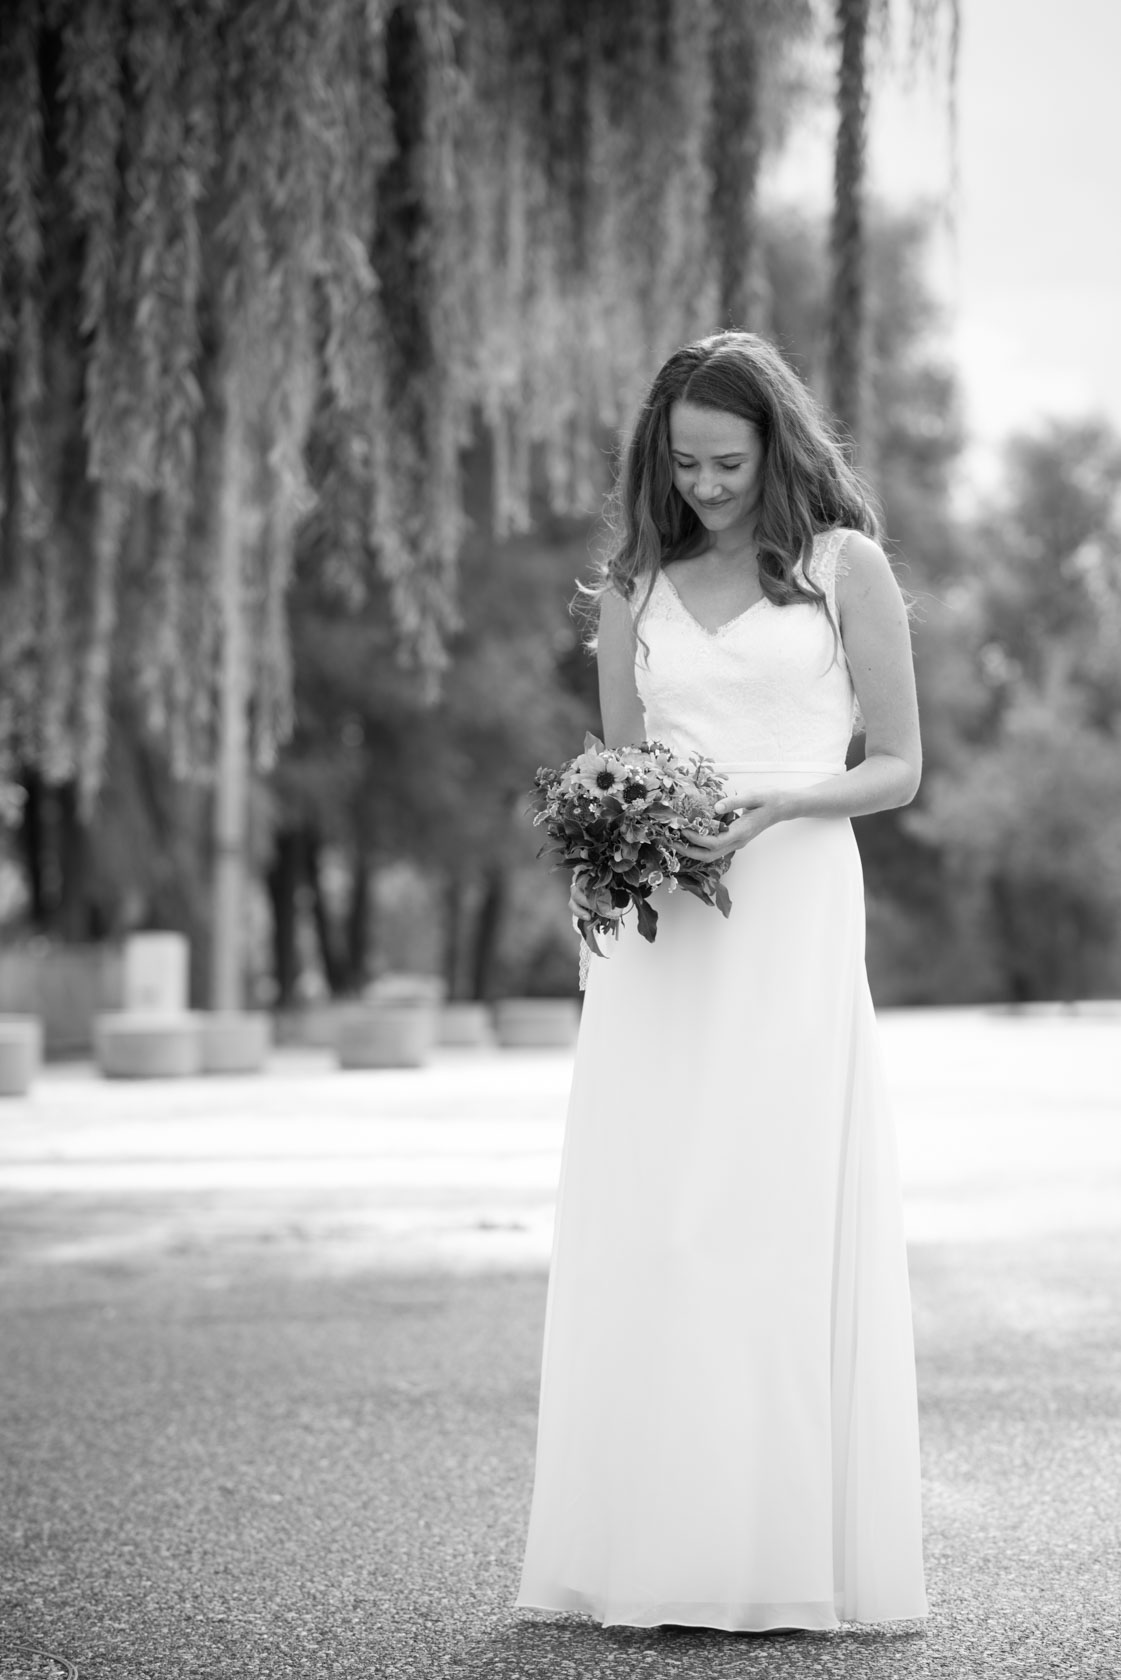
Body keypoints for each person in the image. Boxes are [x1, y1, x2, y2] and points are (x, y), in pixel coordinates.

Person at [515, 331, 928, 1633]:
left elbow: (898, 767)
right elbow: (612, 768)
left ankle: (776, 1553)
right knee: (659, 1218)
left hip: (789, 902)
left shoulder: (841, 569)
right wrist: (610, 834)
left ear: (778, 448)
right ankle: (649, 1546)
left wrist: (764, 810)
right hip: (658, 935)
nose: (703, 483)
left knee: (765, 1207)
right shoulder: (632, 586)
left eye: (728, 461)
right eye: (683, 462)